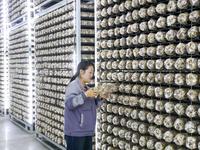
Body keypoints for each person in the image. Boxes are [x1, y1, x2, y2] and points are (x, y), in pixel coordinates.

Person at [64, 61, 108, 150]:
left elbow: (92, 107)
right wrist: (85, 95)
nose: (92, 75)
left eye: (93, 73)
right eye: (90, 72)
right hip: (76, 132)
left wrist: (100, 98)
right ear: (81, 71)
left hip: (87, 131)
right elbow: (69, 104)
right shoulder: (74, 86)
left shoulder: (87, 89)